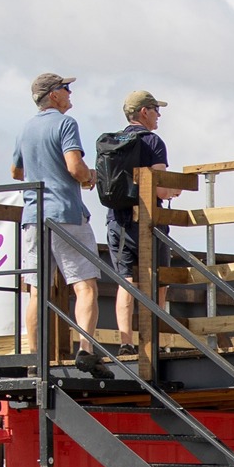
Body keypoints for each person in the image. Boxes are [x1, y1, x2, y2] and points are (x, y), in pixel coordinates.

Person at [10, 73, 103, 374]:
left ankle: (34, 358)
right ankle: (86, 350)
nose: (70, 92)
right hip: (65, 213)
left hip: (33, 217)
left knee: (37, 291)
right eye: (66, 88)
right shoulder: (65, 124)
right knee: (85, 286)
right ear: (53, 95)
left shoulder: (25, 128)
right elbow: (75, 166)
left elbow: (15, 171)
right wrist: (90, 176)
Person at [99, 90, 170, 357]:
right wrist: (174, 191)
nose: (158, 115)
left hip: (117, 218)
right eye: (155, 109)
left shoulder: (114, 142)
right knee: (158, 280)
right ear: (143, 112)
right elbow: (160, 189)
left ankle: (126, 342)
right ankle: (155, 341)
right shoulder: (153, 142)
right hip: (149, 220)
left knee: (126, 280)